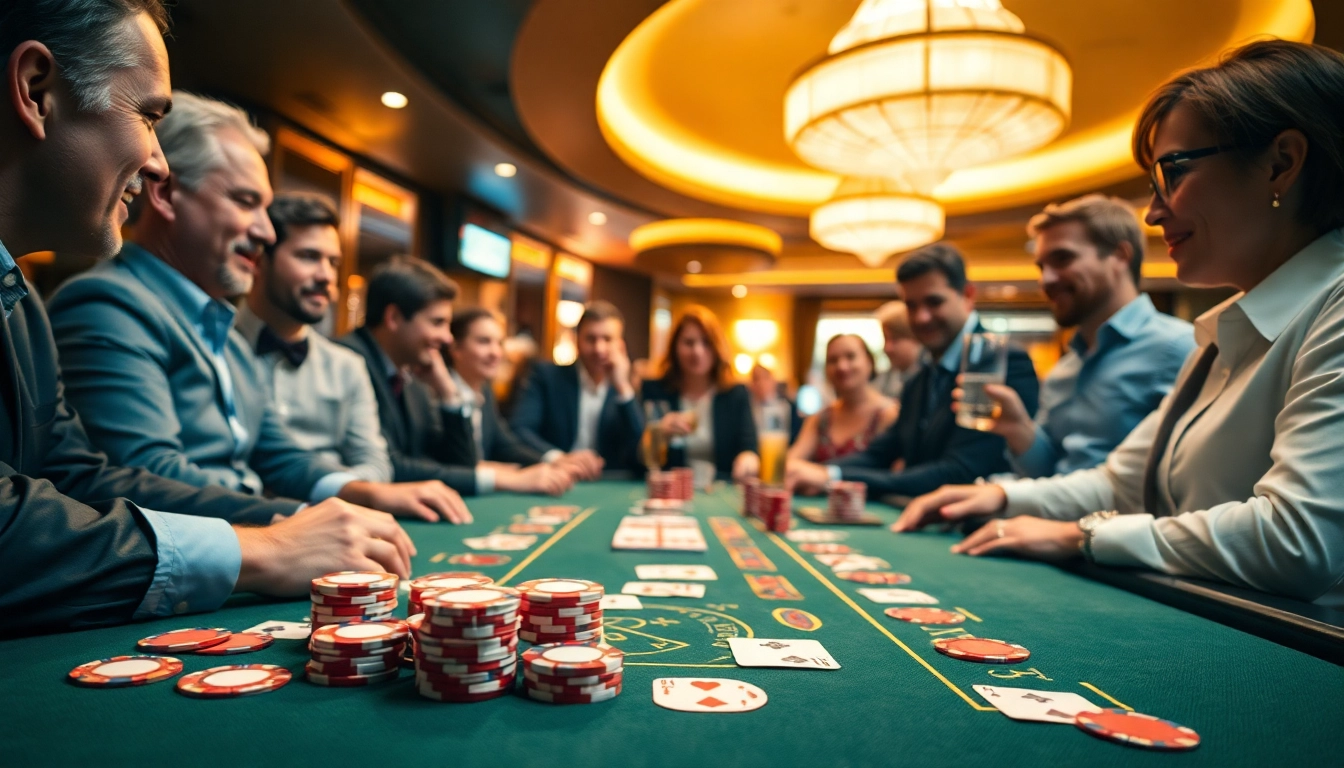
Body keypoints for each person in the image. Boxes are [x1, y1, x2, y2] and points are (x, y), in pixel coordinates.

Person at [0, 0, 412, 636]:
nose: (157, 160)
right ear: (35, 91)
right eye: (146, 116)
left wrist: (334, 503)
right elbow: (111, 486)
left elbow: (73, 472)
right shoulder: (102, 300)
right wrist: (270, 543)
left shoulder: (21, 302)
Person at [893, 40, 1344, 606]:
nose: (1153, 213)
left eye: (1172, 173)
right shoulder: (1222, 331)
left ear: (1281, 163)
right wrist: (998, 499)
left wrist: (1077, 535)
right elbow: (1119, 481)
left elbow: (1299, 540)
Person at [47, 92, 470, 523]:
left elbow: (279, 455)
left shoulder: (226, 335)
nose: (266, 232)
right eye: (246, 202)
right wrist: (296, 519)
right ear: (168, 193)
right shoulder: (108, 303)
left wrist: (370, 495)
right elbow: (142, 477)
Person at [968, 195, 1195, 478]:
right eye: (1041, 267)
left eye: (1063, 259)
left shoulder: (1181, 348)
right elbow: (1050, 473)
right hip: (1051, 520)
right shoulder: (1064, 370)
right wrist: (1018, 428)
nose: (1046, 280)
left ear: (1120, 256)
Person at [786, 244, 1039, 498]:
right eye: (911, 306)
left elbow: (961, 472)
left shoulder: (1000, 364)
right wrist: (814, 471)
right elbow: (881, 453)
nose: (921, 318)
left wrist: (831, 477)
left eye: (934, 302)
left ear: (968, 295)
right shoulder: (920, 380)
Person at [339, 257, 573, 496]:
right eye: (437, 322)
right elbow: (391, 466)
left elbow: (457, 461)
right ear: (394, 318)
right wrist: (502, 479)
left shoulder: (413, 375)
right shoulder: (347, 361)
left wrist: (449, 395)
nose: (447, 338)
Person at [235, 192, 406, 488]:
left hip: (333, 516)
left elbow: (376, 464)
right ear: (260, 260)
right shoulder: (214, 346)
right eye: (309, 256)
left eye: (334, 262)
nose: (326, 275)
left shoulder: (348, 366)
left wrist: (332, 492)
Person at [443, 308, 592, 481]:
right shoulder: (434, 395)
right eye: (484, 342)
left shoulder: (484, 392)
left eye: (499, 343)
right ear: (456, 348)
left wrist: (555, 461)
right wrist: (507, 476)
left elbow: (506, 446)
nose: (495, 353)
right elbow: (449, 463)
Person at [510, 301, 643, 472]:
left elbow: (640, 453)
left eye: (607, 339)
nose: (599, 348)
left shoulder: (626, 390)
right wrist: (558, 458)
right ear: (576, 340)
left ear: (620, 346)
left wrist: (623, 388)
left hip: (607, 484)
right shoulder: (546, 376)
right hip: (555, 478)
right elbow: (519, 430)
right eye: (591, 339)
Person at [641, 306, 759, 481]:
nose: (697, 351)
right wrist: (659, 433)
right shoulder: (655, 390)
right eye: (689, 343)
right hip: (669, 491)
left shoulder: (736, 394)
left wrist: (748, 459)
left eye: (706, 342)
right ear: (674, 347)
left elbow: (749, 447)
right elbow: (633, 457)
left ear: (717, 348)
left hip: (721, 490)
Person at [788, 334, 898, 463]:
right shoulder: (821, 418)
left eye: (850, 357)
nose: (841, 366)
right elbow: (792, 459)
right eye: (833, 360)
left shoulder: (890, 414)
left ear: (869, 362)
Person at [873, 301, 922, 401]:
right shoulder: (886, 378)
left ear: (915, 338)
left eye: (895, 339)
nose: (887, 348)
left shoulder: (928, 379)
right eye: (885, 339)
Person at [748, 363, 802, 443]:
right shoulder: (746, 411)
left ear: (773, 381)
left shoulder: (788, 407)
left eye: (765, 378)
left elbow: (797, 437)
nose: (761, 383)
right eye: (756, 379)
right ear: (751, 385)